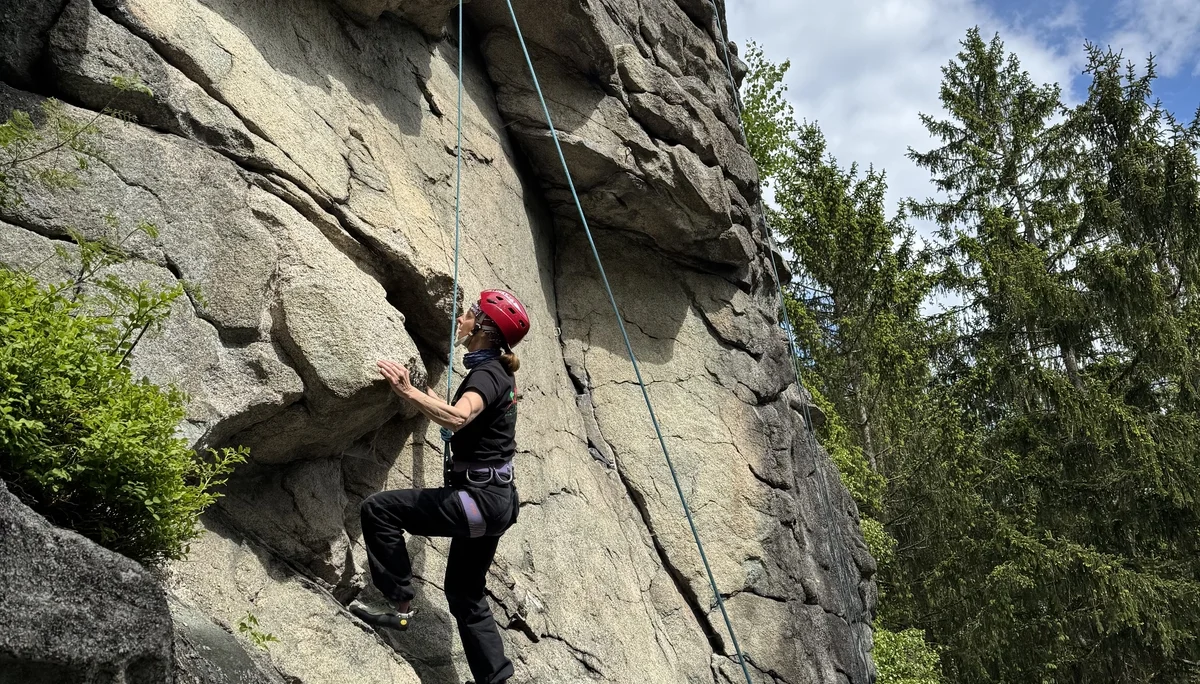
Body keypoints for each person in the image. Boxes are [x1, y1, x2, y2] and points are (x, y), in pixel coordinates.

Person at [350, 289, 531, 684]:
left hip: (478, 500)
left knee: (379, 510)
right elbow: (461, 413)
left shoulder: (486, 374)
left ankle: (399, 605)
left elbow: (456, 419)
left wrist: (407, 391)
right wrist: (422, 387)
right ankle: (495, 679)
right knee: (465, 592)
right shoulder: (496, 372)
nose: (460, 321)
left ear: (482, 327)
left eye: (467, 316)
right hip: (496, 501)